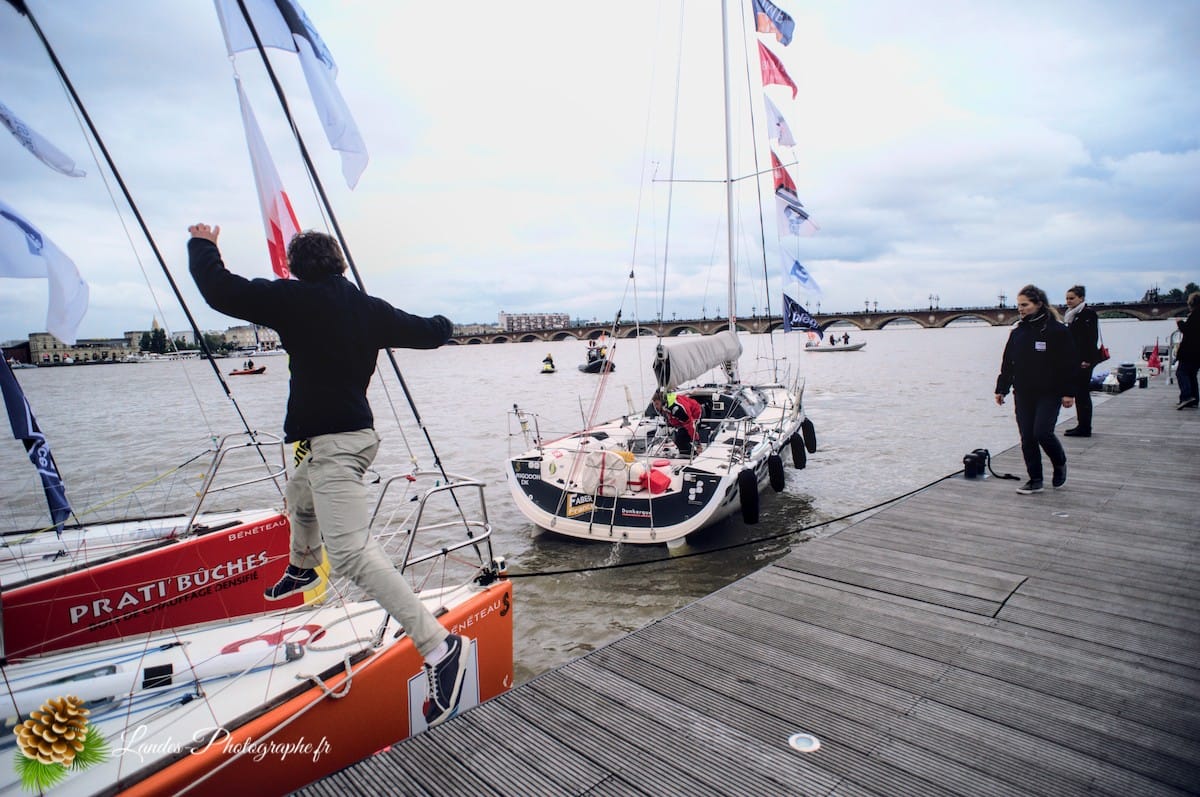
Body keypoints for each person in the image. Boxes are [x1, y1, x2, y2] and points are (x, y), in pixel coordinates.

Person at [187, 223, 468, 728]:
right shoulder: (368, 308)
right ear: (338, 263)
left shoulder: (293, 301)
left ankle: (439, 647)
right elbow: (427, 331)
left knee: (352, 555)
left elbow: (219, 290)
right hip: (329, 441)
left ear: (295, 267)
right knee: (298, 495)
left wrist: (203, 244)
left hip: (337, 447)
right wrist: (447, 323)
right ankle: (301, 564)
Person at [994, 284, 1077, 494]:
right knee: (1027, 437)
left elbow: (1068, 364)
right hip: (1023, 392)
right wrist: (1001, 388)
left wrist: (1069, 392)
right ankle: (1035, 479)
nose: (1020, 309)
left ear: (1038, 304)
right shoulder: (1017, 333)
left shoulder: (1057, 331)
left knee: (1042, 432)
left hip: (1050, 392)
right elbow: (1008, 363)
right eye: (1018, 305)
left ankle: (1059, 463)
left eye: (1025, 305)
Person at [1062, 285, 1100, 436]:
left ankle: (1085, 427)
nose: (1068, 301)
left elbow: (1091, 338)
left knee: (1082, 393)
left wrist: (1087, 359)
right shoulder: (1072, 314)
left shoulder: (1087, 314)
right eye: (1067, 298)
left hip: (1084, 361)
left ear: (1081, 298)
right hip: (1076, 360)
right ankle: (1082, 425)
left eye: (1072, 298)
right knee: (1080, 393)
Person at [651, 389, 702, 456]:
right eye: (654, 404)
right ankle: (685, 453)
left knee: (680, 440)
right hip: (679, 420)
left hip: (694, 414)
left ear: (662, 402)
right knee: (678, 438)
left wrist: (697, 443)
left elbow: (690, 425)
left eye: (657, 404)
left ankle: (692, 456)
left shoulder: (677, 409)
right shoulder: (665, 406)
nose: (656, 407)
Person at [1176, 291, 1200, 409]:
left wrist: (1179, 323)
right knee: (1192, 375)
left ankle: (1186, 396)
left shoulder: (1195, 316)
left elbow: (1188, 330)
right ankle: (1194, 399)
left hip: (1190, 351)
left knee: (1181, 372)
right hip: (1197, 352)